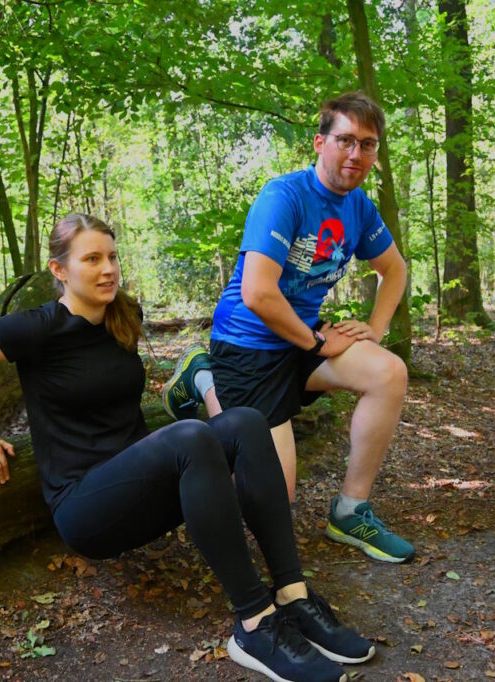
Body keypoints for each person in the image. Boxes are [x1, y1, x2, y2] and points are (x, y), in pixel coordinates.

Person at [0, 214, 375, 682]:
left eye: (111, 257)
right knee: (191, 435)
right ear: (59, 270)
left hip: (142, 488)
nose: (107, 269)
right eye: (91, 259)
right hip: (85, 507)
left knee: (247, 422)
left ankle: (293, 596)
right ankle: (254, 623)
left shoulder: (123, 316)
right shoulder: (38, 328)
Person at [163, 92, 415, 564]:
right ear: (319, 143)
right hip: (248, 343)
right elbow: (259, 293)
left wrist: (376, 328)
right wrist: (318, 341)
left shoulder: (359, 207)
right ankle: (206, 377)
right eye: (345, 140)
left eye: (368, 144)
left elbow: (395, 270)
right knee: (276, 501)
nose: (356, 154)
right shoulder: (284, 196)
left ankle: (350, 512)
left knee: (388, 373)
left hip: (300, 338)